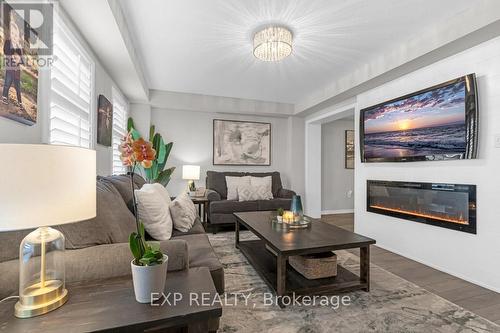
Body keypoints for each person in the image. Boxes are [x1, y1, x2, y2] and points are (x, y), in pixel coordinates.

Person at [2, 20, 25, 111]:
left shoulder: (19, 48)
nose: (14, 36)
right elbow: (5, 51)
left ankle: (20, 102)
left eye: (16, 35)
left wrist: (19, 59)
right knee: (7, 83)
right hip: (10, 68)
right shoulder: (8, 43)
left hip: (17, 72)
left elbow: (22, 60)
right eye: (12, 33)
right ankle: (4, 97)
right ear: (10, 34)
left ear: (18, 37)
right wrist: (12, 55)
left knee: (18, 88)